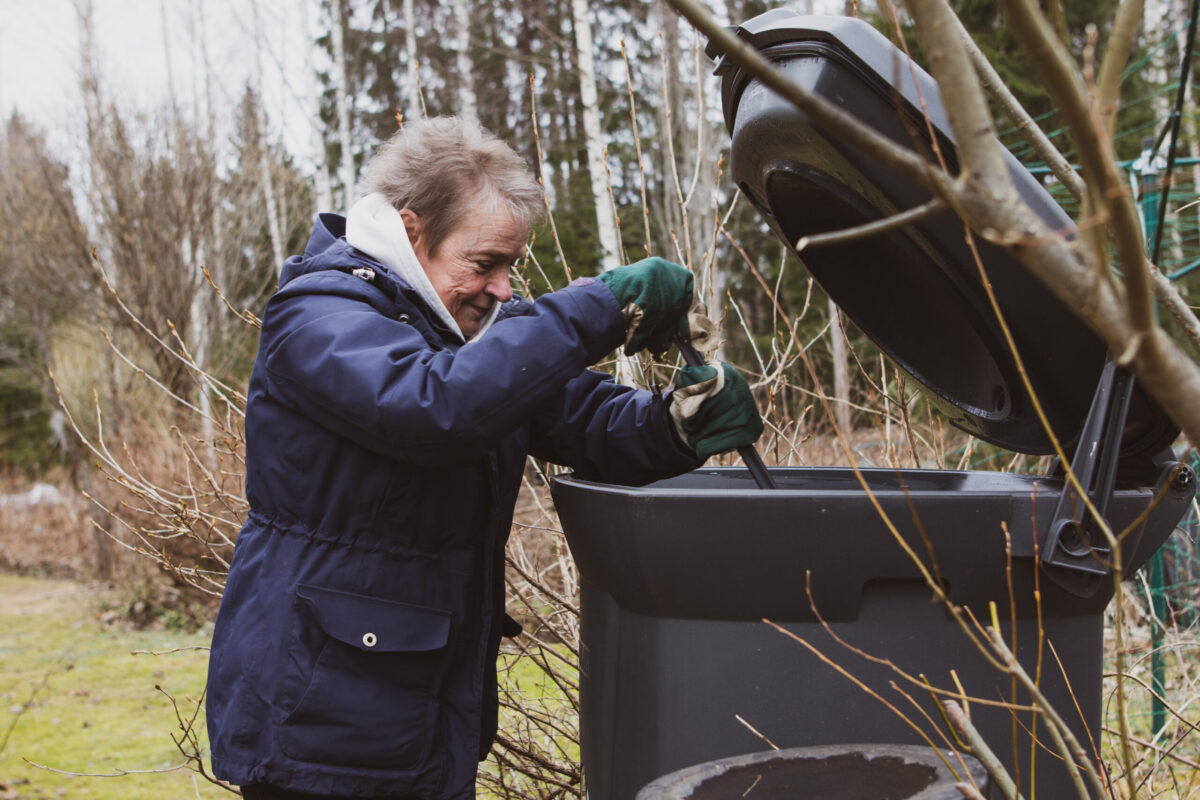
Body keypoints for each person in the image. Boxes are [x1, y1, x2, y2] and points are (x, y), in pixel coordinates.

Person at [206, 116, 763, 800]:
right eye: (485, 263)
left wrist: (677, 422)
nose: (503, 288)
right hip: (319, 713)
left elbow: (582, 417)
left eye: (511, 266)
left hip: (414, 710)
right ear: (413, 232)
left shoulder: (465, 332)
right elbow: (434, 409)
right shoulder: (320, 315)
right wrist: (598, 306)